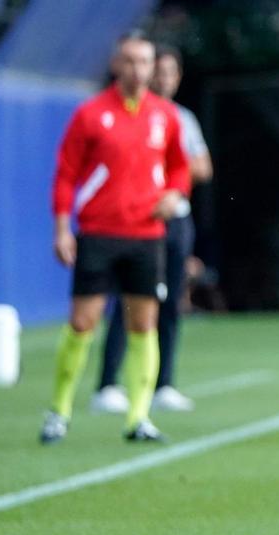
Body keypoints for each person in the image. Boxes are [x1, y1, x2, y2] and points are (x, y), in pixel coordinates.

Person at [40, 31, 190, 444]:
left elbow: (180, 167)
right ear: (116, 65)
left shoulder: (164, 115)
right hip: (99, 234)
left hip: (146, 236)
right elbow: (66, 173)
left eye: (144, 62)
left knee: (144, 323)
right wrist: (61, 228)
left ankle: (137, 417)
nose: (138, 69)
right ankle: (59, 410)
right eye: (130, 61)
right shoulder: (91, 114)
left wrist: (174, 194)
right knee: (82, 321)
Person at [92, 45, 212, 415]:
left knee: (170, 302)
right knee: (128, 301)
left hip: (174, 220)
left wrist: (169, 181)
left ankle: (164, 384)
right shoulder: (124, 115)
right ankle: (108, 384)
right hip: (137, 223)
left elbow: (201, 167)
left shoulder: (181, 118)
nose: (161, 78)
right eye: (155, 69)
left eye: (169, 72)